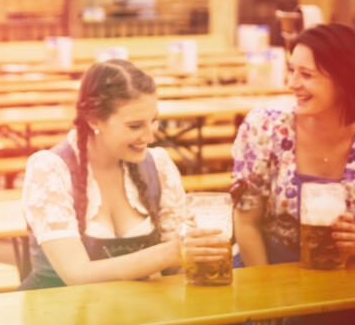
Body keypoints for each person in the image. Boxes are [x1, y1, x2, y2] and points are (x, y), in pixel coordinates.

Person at [232, 23, 355, 324]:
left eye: (306, 75)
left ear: (346, 79)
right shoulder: (265, 126)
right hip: (265, 270)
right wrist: (266, 302)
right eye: (292, 71)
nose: (292, 83)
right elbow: (246, 223)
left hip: (342, 276)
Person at [19, 59, 227, 288]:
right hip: (60, 314)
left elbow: (173, 270)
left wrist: (198, 251)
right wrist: (173, 252)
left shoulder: (158, 165)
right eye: (135, 126)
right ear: (93, 120)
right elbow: (76, 275)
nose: (150, 137)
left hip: (134, 313)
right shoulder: (50, 169)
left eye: (154, 121)